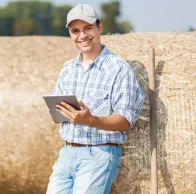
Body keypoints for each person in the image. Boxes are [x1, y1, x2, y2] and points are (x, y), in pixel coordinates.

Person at [46, 4, 145, 194]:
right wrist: (57, 112)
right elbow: (55, 115)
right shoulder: (68, 69)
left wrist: (90, 120)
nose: (82, 36)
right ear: (70, 34)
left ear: (99, 27)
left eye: (87, 28)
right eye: (75, 31)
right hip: (67, 153)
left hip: (99, 154)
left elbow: (125, 121)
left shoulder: (118, 69)